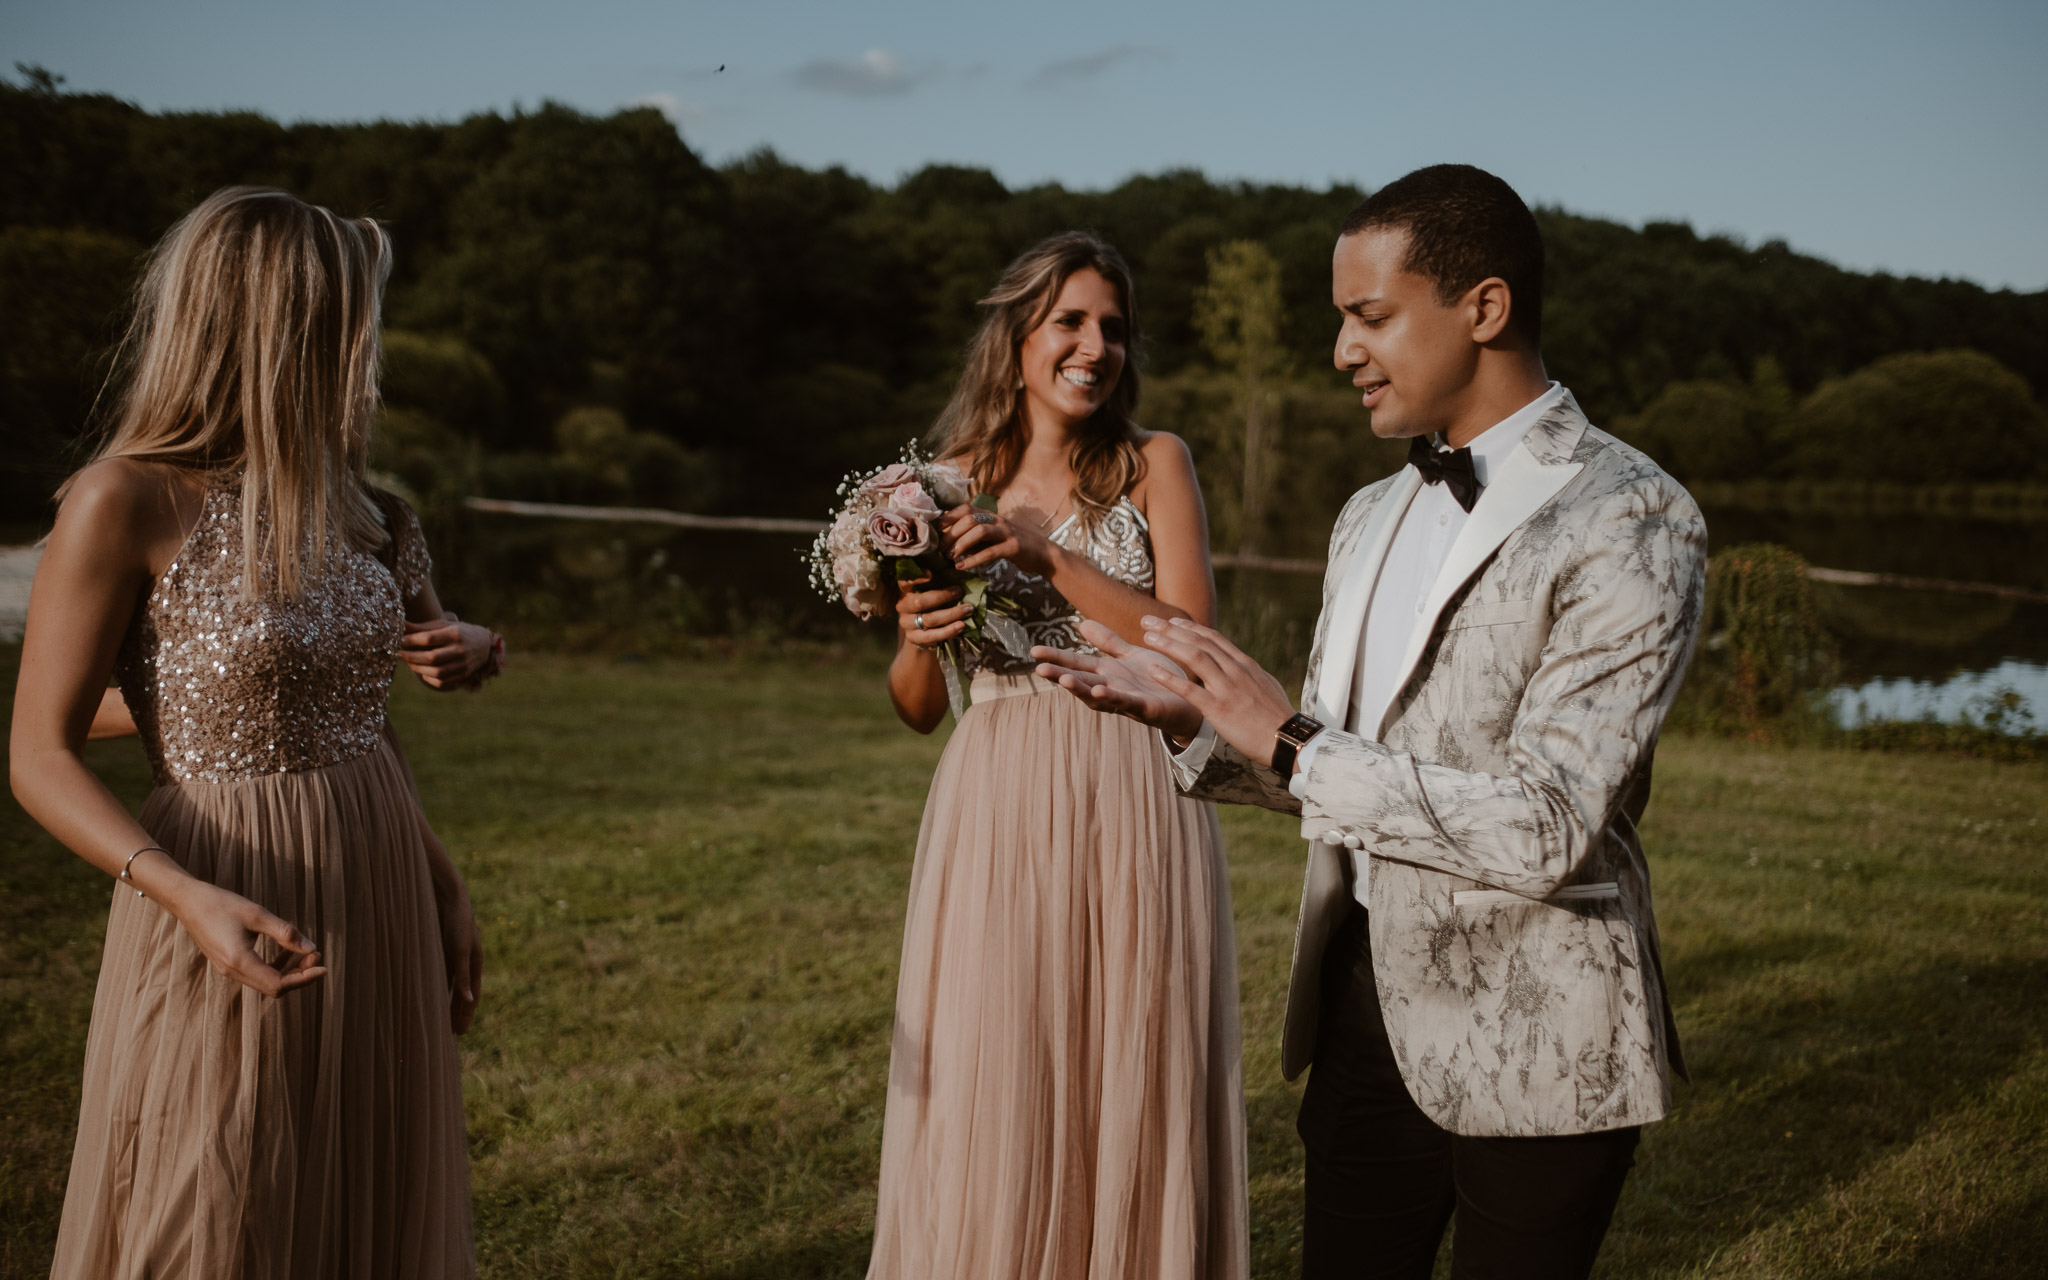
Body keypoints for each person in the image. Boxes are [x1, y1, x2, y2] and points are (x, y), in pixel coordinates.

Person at [1034, 165, 1706, 1279]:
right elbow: (1334, 766)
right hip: (1356, 1013)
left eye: (1369, 316)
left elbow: (1546, 825)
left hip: (1542, 1032)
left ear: (1481, 308)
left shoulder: (1632, 514)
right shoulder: (1365, 513)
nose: (1341, 349)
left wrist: (1286, 734)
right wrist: (1201, 723)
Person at [9, 186, 480, 1278]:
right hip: (226, 875)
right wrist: (183, 890)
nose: (367, 353)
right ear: (281, 327)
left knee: (360, 1172)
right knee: (216, 1181)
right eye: (349, 322)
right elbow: (39, 751)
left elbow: (359, 714)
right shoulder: (123, 499)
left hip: (375, 865)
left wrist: (440, 876)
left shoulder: (356, 507)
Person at [871, 231, 1249, 1279]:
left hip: (1135, 787)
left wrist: (1053, 556)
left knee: (1129, 1056)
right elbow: (914, 706)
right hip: (995, 791)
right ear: (1018, 335)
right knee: (1006, 1061)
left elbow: (1190, 647)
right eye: (1070, 322)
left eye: (1113, 328)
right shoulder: (939, 486)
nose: (1094, 347)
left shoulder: (1150, 462)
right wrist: (917, 628)